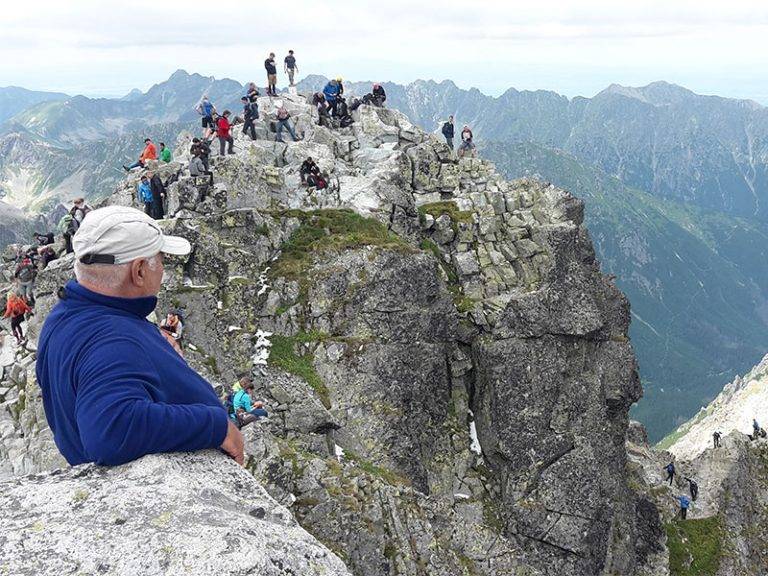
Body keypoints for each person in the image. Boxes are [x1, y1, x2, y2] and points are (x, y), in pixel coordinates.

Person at [36, 205, 244, 466]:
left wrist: (149, 343)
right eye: (161, 259)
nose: (163, 269)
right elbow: (110, 431)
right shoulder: (113, 341)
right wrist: (215, 427)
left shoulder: (65, 317)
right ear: (139, 271)